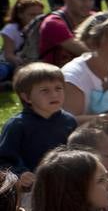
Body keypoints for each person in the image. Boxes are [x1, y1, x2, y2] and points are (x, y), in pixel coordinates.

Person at [0, 63, 78, 192]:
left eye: (58, 88)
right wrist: (20, 173)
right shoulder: (17, 125)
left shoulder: (69, 121)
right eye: (45, 90)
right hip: (30, 189)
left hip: (64, 184)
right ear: (27, 97)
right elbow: (4, 159)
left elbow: (76, 151)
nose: (54, 95)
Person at [39, 0, 96, 68]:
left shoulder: (94, 18)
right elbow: (87, 54)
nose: (87, 4)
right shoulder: (53, 23)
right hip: (54, 77)